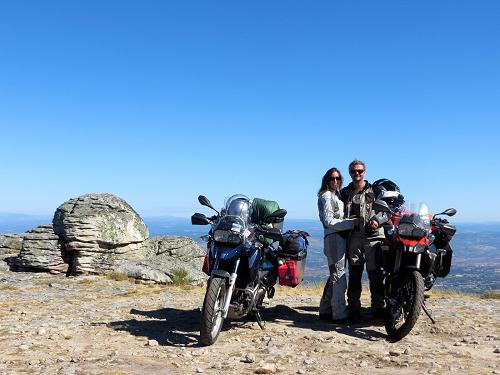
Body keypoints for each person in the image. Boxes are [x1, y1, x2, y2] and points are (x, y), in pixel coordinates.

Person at [340, 160, 385, 318]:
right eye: (353, 171)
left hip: (373, 237)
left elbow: (387, 211)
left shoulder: (376, 190)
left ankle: (378, 307)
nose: (356, 173)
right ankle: (354, 308)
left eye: (359, 170)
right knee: (355, 273)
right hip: (354, 237)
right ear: (350, 173)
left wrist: (377, 221)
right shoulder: (345, 192)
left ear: (365, 171)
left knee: (375, 273)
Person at [317, 167, 357, 323]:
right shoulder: (327, 196)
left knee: (335, 274)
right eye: (332, 178)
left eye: (338, 178)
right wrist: (350, 223)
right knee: (339, 275)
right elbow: (329, 221)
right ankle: (339, 313)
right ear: (327, 180)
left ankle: (325, 310)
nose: (335, 181)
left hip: (337, 238)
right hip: (334, 237)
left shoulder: (334, 195)